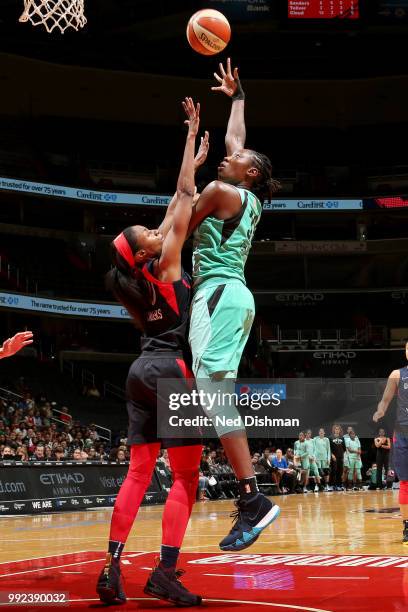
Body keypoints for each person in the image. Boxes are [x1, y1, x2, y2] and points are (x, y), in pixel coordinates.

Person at [96, 98, 204, 607]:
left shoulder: (135, 278)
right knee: (186, 475)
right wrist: (190, 136)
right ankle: (164, 571)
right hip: (170, 371)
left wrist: (192, 159)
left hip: (139, 370)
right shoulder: (166, 265)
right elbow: (183, 194)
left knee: (138, 472)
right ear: (146, 253)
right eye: (153, 235)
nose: (161, 232)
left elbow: (177, 202)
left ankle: (112, 567)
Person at [186, 58, 281, 551]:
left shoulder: (222, 191)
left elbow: (181, 214)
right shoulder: (246, 196)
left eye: (238, 158)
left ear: (253, 172)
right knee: (212, 394)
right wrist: (238, 95)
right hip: (227, 295)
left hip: (220, 295)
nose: (229, 156)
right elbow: (236, 141)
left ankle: (253, 499)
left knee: (215, 393)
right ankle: (251, 498)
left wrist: (152, 246)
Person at [373, 343, 408, 544]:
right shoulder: (397, 374)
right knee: (405, 482)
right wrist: (380, 410)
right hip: (403, 432)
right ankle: (407, 526)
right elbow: (385, 400)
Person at [330, 424, 346, 491]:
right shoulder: (330, 438)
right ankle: (332, 485)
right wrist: (332, 455)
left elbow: (344, 448)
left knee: (340, 471)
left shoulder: (342, 438)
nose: (337, 430)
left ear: (340, 430)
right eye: (336, 429)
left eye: (338, 429)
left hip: (340, 457)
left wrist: (343, 455)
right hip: (334, 457)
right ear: (334, 430)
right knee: (334, 471)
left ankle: (339, 485)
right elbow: (329, 448)